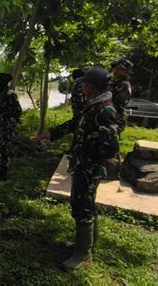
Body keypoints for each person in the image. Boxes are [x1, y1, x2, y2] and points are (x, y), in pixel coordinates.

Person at [36, 67, 119, 270]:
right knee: (84, 203)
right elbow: (75, 124)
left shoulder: (105, 110)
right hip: (83, 164)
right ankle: (85, 244)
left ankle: (83, 255)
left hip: (89, 166)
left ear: (92, 87)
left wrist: (92, 158)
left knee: (82, 204)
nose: (82, 89)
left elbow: (110, 146)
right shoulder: (93, 106)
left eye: (85, 86)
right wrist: (51, 134)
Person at [0, 72, 22, 182]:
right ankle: (0, 170)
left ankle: (2, 175)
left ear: (0, 82)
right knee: (0, 148)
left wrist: (13, 119)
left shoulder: (10, 94)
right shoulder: (2, 92)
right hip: (1, 127)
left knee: (4, 150)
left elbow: (18, 110)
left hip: (7, 127)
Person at [110, 59, 133, 134]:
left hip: (116, 118)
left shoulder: (124, 85)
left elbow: (119, 103)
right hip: (108, 116)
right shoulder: (112, 83)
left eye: (120, 69)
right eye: (116, 68)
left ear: (126, 72)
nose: (116, 70)